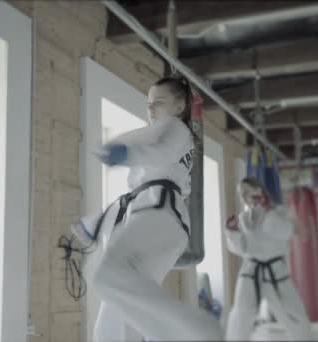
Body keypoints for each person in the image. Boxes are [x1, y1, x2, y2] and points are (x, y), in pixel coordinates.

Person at [70, 76, 222, 341]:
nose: (151, 109)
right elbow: (133, 196)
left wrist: (126, 155)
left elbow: (158, 158)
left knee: (104, 273)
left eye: (159, 102)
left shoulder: (176, 129)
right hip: (159, 221)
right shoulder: (165, 136)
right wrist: (95, 223)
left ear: (179, 106)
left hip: (160, 216)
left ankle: (191, 329)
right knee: (114, 319)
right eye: (148, 103)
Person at [224, 177, 313, 341]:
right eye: (240, 194)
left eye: (246, 192)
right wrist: (232, 232)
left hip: (276, 272)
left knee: (294, 313)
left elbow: (284, 232)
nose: (243, 196)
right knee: (241, 313)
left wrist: (268, 212)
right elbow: (242, 249)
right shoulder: (243, 218)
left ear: (258, 191)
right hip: (250, 271)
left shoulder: (279, 212)